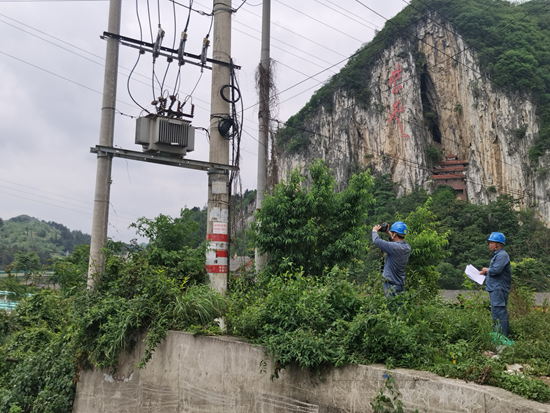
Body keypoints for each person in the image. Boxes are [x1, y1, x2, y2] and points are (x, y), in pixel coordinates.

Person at [480, 232, 512, 337]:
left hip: (499, 288)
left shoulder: (502, 255)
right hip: (495, 288)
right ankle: (499, 337)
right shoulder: (497, 255)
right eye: (489, 243)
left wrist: (486, 270)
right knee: (496, 314)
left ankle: (501, 339)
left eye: (492, 242)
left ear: (498, 244)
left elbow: (496, 270)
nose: (490, 245)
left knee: (499, 314)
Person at [371, 221, 411, 297]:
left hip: (391, 285)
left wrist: (374, 230)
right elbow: (396, 242)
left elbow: (376, 241)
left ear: (395, 233)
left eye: (392, 232)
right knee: (399, 307)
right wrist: (388, 232)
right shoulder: (407, 247)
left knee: (390, 307)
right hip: (401, 284)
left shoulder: (393, 247)